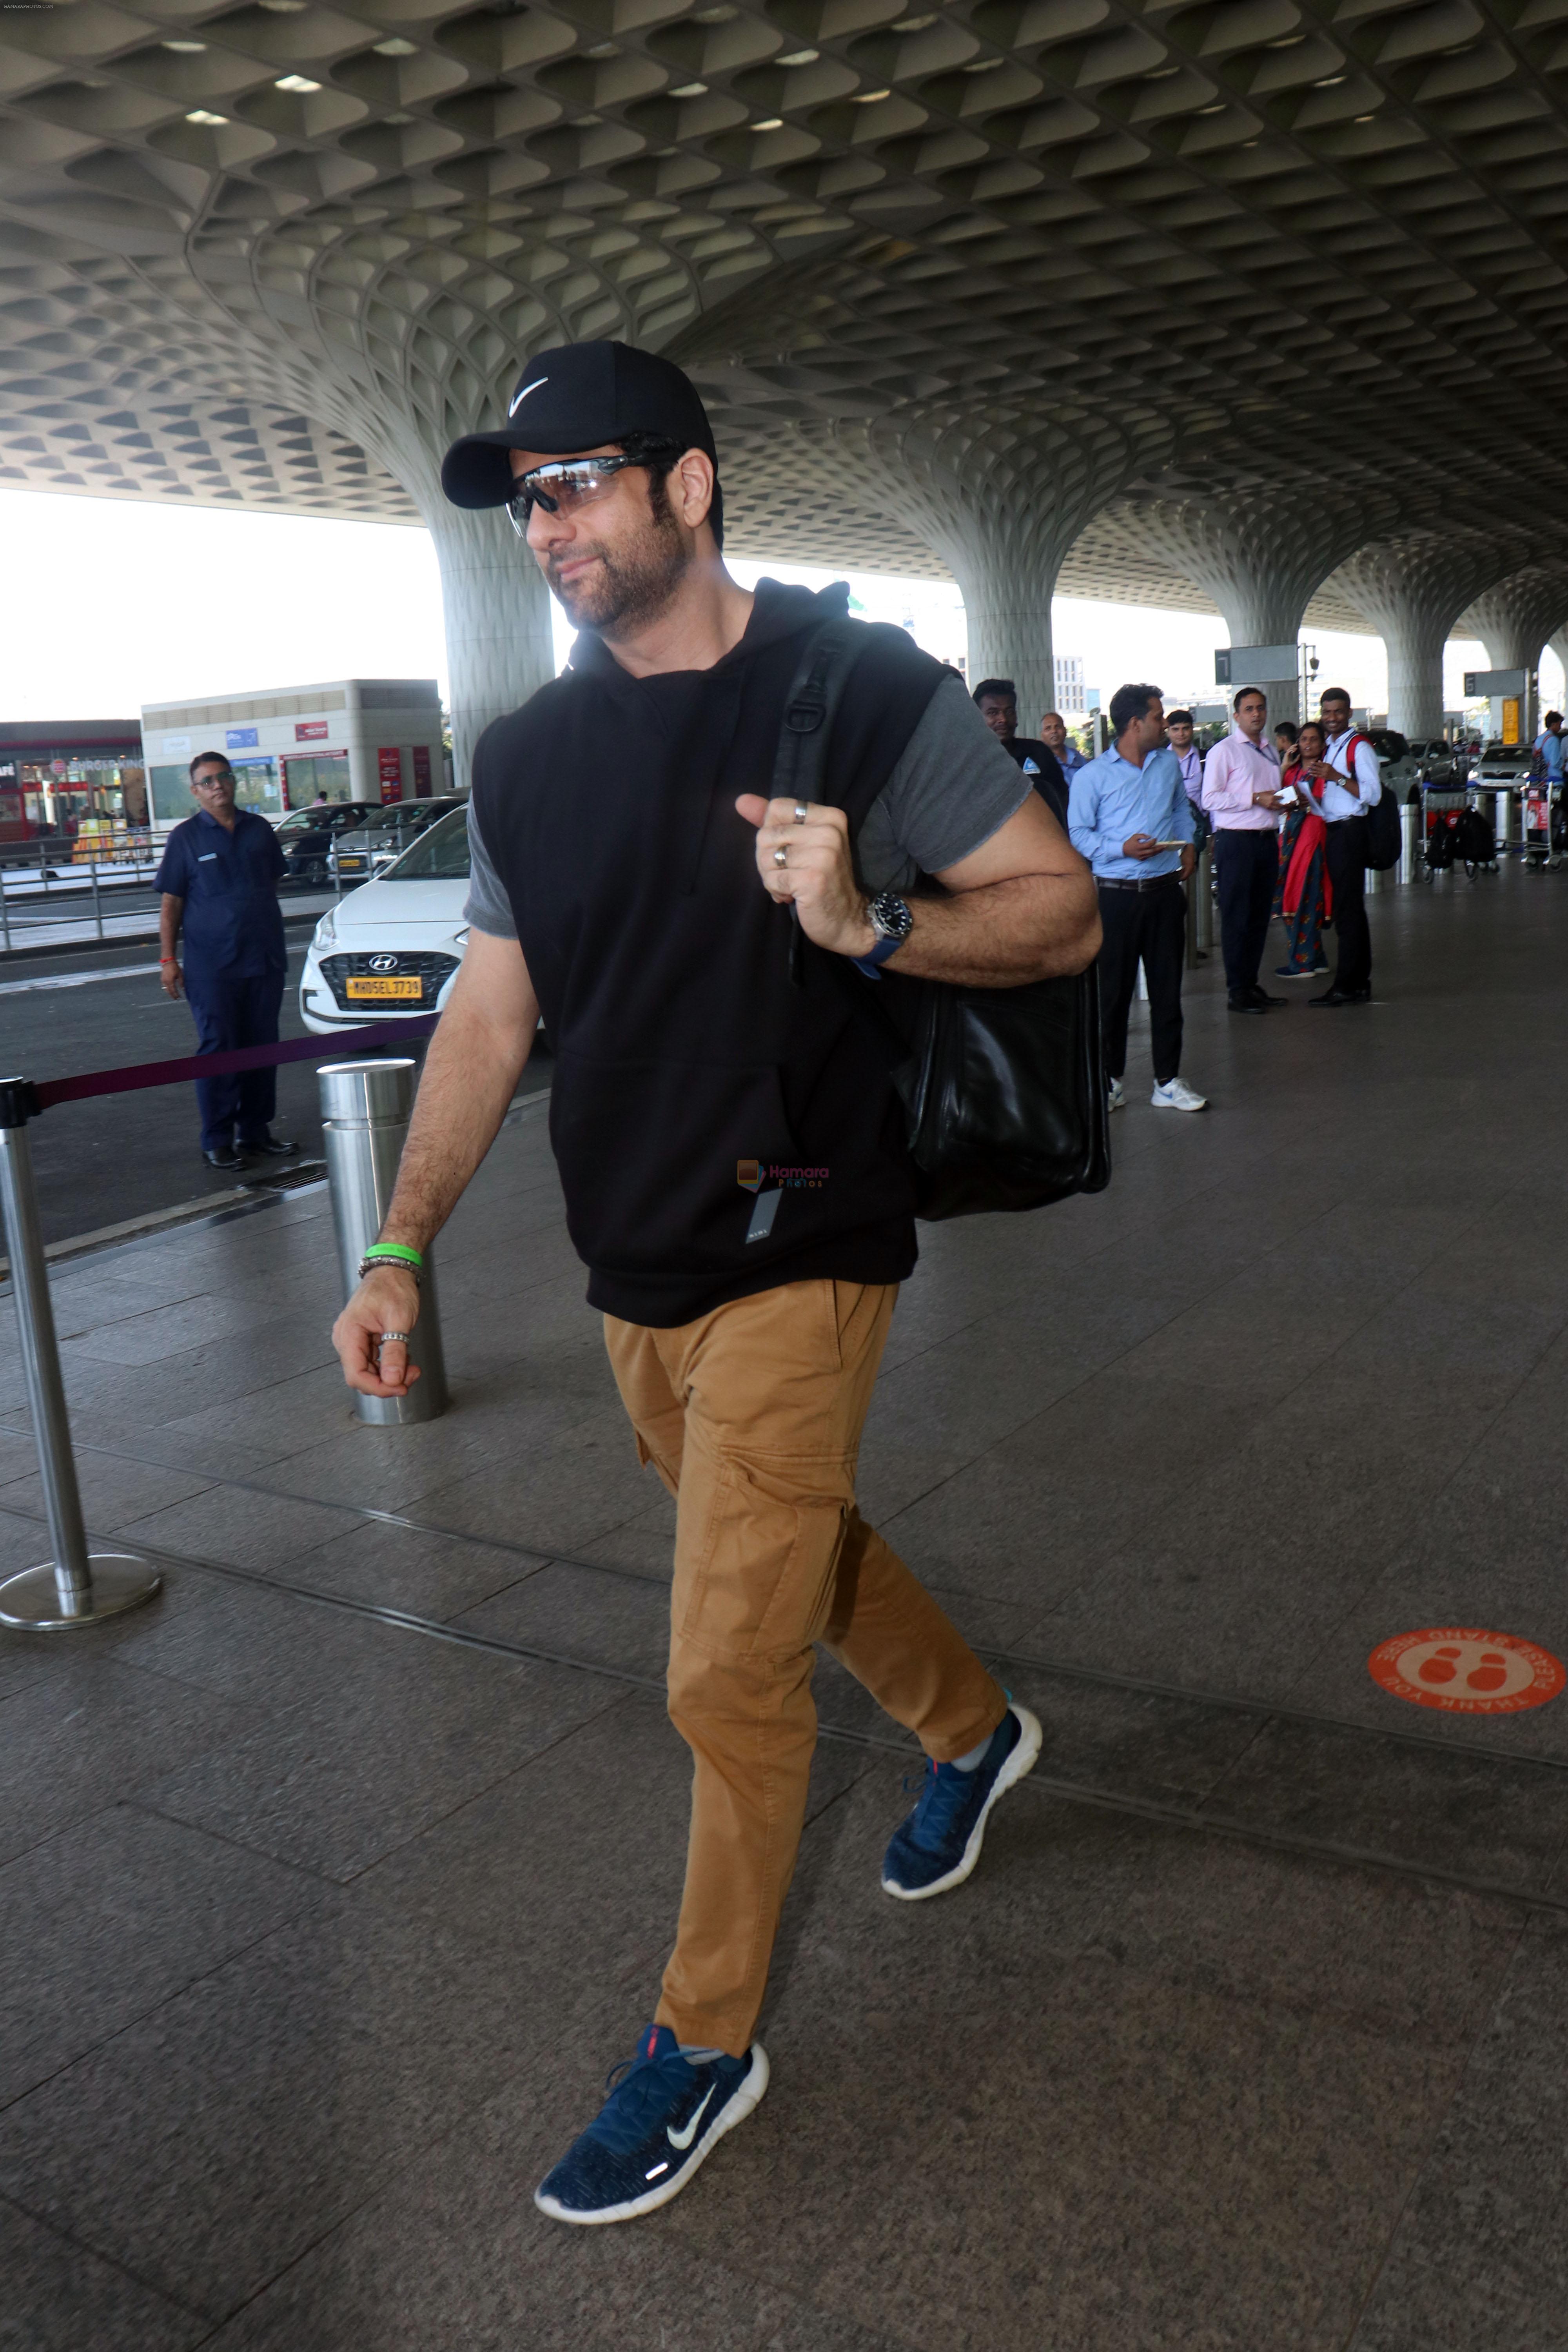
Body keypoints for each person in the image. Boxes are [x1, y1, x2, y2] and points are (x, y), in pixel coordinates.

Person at [329, 339, 1100, 2226]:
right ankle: (970, 1728)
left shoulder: (858, 690)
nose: (548, 525)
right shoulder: (526, 754)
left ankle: (701, 2043)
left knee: (723, 1664)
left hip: (807, 1240)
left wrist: (869, 917)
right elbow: (491, 1008)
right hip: (635, 1265)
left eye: (576, 480)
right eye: (523, 500)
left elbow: (1061, 908)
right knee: (792, 1549)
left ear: (688, 484)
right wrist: (401, 1236)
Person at [1068, 682, 1205, 1113]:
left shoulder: (1167, 764)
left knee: (1168, 993)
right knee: (1113, 994)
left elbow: (1182, 808)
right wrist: (1121, 849)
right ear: (1134, 724)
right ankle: (1110, 1082)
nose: (1164, 725)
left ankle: (1167, 1082)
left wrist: (1187, 843)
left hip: (1165, 894)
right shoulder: (1093, 775)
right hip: (1116, 898)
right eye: (1158, 717)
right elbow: (1078, 834)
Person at [156, 753, 297, 1169]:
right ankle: (217, 1139)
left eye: (224, 777)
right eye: (208, 781)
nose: (218, 785)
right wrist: (168, 959)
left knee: (262, 1046)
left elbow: (268, 885)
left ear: (233, 782)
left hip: (264, 959)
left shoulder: (259, 830)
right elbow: (171, 905)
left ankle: (255, 1133)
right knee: (219, 1048)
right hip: (212, 967)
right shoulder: (185, 839)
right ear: (195, 790)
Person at [1201, 686, 1286, 1014]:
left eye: (1261, 708)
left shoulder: (1269, 752)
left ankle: (1251, 983)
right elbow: (1210, 799)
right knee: (1236, 917)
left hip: (1266, 840)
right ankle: (1237, 990)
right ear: (1236, 716)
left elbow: (1272, 796)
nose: (1256, 714)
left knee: (1258, 918)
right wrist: (1253, 798)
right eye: (1249, 709)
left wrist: (1286, 801)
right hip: (1236, 842)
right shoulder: (1225, 751)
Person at [1312, 686, 1381, 1007]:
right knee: (1351, 909)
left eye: (1338, 712)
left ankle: (1346, 985)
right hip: (1335, 830)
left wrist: (1337, 777)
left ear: (1349, 713)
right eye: (1327, 713)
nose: (1332, 718)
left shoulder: (1359, 747)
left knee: (1347, 911)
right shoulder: (1331, 746)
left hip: (1350, 832)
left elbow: (1373, 795)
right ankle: (1358, 982)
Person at [1272, 719, 1332, 980]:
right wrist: (1285, 765)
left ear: (1322, 744)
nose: (1308, 744)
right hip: (1290, 841)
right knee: (1295, 895)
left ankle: (1302, 962)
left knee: (1304, 898)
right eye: (1304, 740)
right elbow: (1277, 798)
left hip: (1311, 839)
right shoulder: (1292, 772)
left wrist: (1302, 803)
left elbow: (1321, 803)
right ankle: (1316, 958)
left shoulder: (1326, 772)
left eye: (1314, 740)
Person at [971, 677, 1067, 820]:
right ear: (977, 718)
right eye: (993, 713)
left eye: (1009, 712)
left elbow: (1062, 801)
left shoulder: (1039, 753)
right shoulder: (968, 763)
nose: (1003, 719)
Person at [1040, 710, 1086, 781]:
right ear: (1042, 735)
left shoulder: (1077, 757)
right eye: (1048, 728)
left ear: (1065, 731)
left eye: (1058, 727)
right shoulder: (1039, 760)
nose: (1054, 731)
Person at [1534, 710, 1566, 784]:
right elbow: (1556, 762)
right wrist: (1565, 767)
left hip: (1541, 780)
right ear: (1553, 724)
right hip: (1555, 780)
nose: (1560, 727)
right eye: (1559, 724)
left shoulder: (1539, 739)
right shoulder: (1554, 740)